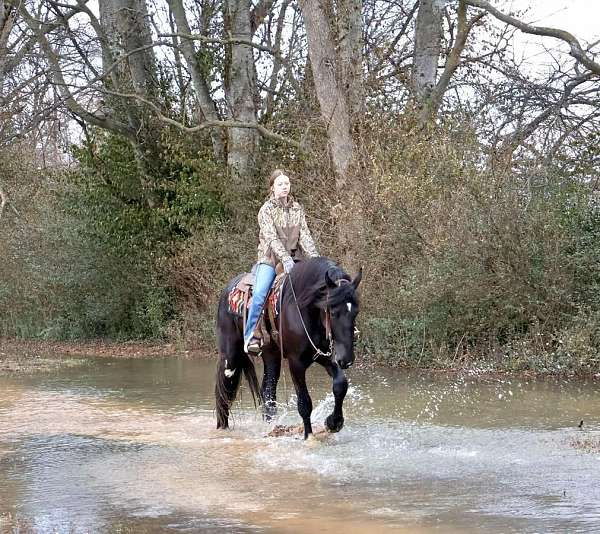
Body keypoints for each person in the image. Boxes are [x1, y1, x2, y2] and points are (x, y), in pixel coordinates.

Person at [244, 169, 319, 353]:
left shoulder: (297, 209)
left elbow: (305, 236)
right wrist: (284, 258)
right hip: (269, 260)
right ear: (272, 188)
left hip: (295, 258)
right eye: (280, 184)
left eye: (286, 183)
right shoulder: (266, 210)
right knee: (260, 292)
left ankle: (325, 331)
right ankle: (251, 335)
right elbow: (270, 237)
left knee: (317, 285)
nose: (284, 186)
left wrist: (316, 260)